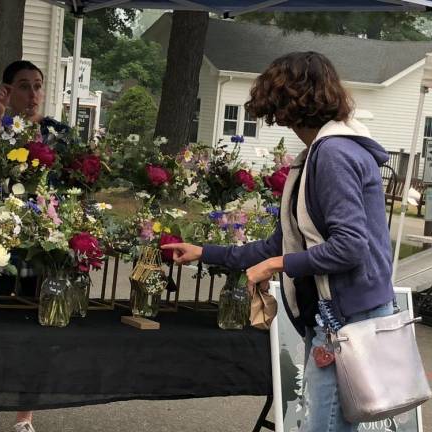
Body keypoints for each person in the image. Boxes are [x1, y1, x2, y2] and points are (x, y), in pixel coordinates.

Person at [162, 51, 395, 432]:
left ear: (290, 100)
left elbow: (351, 246)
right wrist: (205, 252)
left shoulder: (334, 154)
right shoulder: (321, 153)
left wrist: (277, 266)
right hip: (337, 318)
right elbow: (281, 244)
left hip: (349, 321)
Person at [0, 60, 67, 432]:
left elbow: (70, 177)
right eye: (23, 86)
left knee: (36, 326)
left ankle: (24, 417)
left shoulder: (56, 133)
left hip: (40, 241)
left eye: (37, 86)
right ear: (7, 90)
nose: (32, 94)